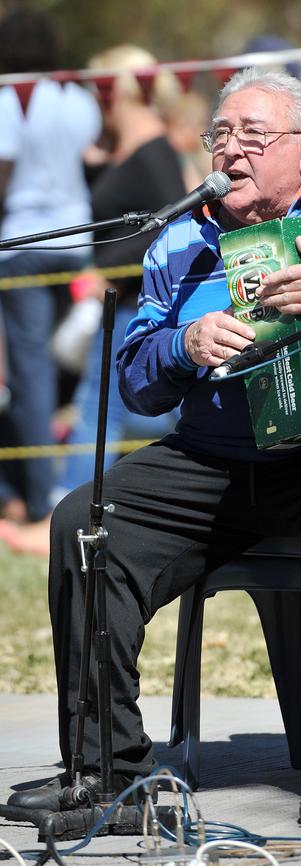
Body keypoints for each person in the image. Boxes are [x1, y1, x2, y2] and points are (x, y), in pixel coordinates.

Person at [7, 67, 301, 826]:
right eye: (219, 135)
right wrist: (185, 344)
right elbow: (137, 381)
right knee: (84, 521)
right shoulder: (183, 238)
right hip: (217, 461)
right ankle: (109, 772)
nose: (231, 151)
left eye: (254, 136)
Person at [0, 44, 186, 557]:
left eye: (98, 87)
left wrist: (103, 266)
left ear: (118, 89)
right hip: (114, 303)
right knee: (96, 409)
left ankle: (63, 517)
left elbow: (167, 225)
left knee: (95, 413)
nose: (89, 98)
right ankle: (66, 512)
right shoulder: (121, 148)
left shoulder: (153, 151)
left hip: (132, 303)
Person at [0, 8, 102, 524]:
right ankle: (79, 490)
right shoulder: (78, 99)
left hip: (22, 245)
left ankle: (44, 500)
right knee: (81, 372)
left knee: (33, 375)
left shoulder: (7, 100)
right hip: (79, 241)